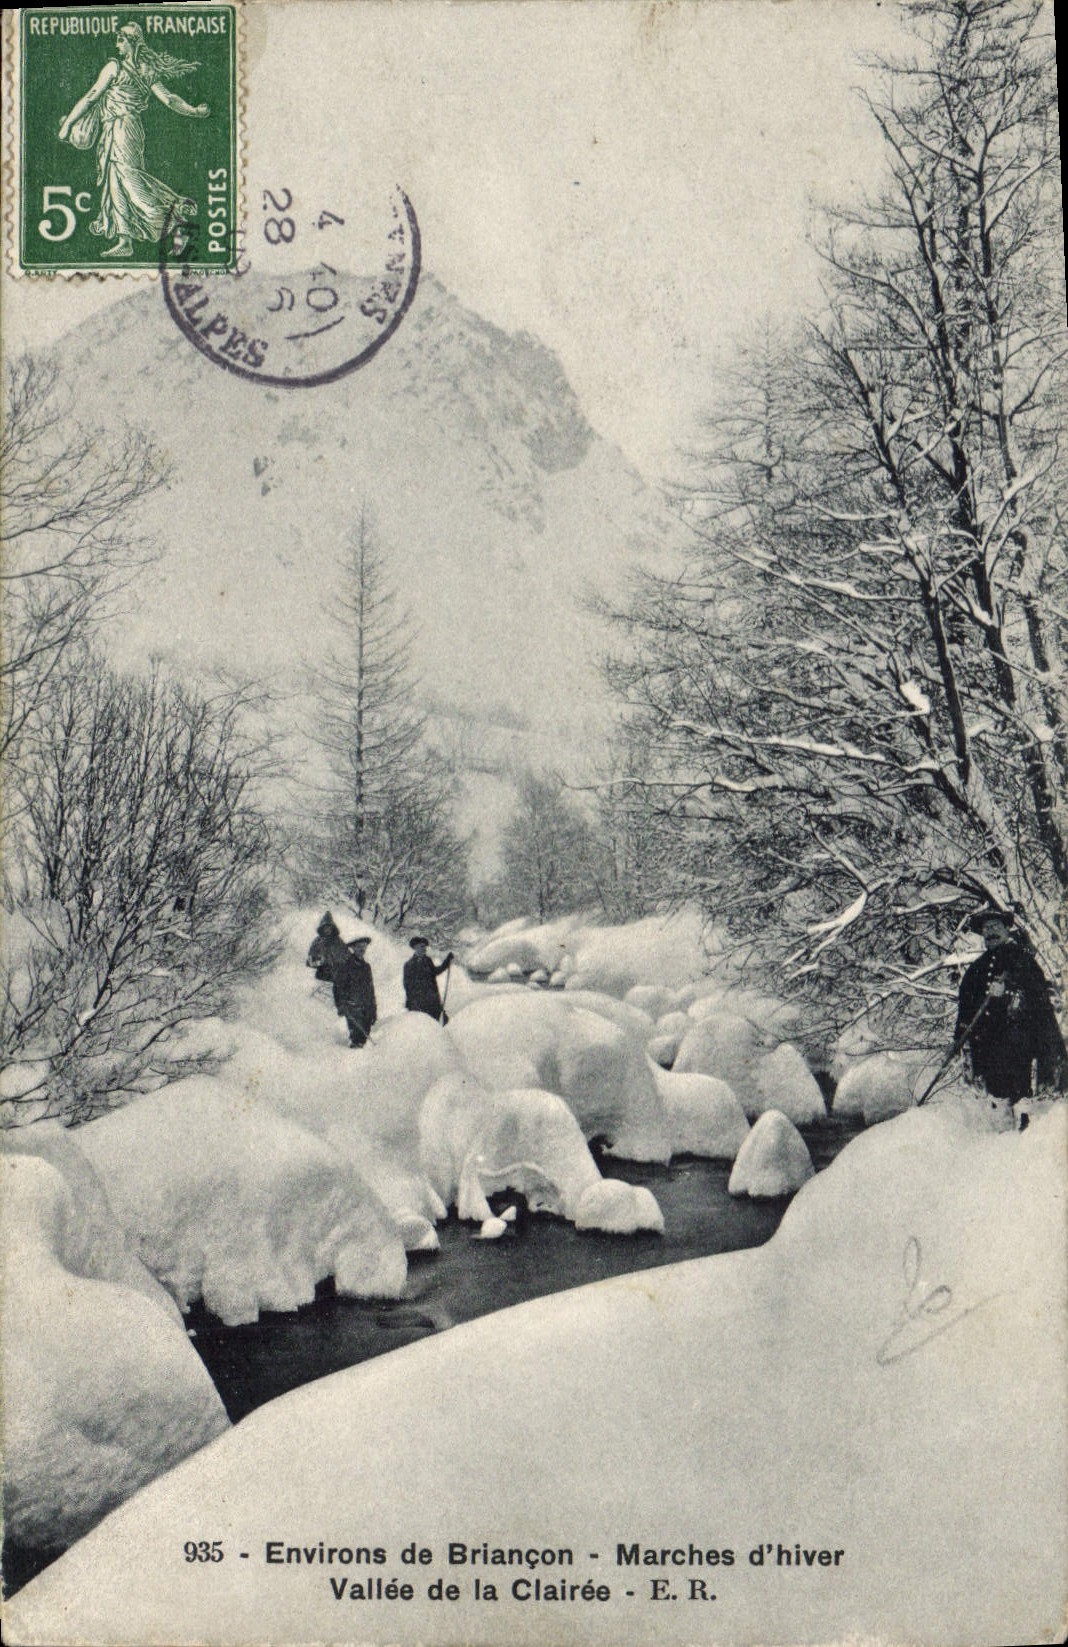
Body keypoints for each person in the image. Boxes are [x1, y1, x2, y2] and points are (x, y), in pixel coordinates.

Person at [57, 22, 208, 258]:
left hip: (123, 129)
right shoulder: (145, 69)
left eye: (121, 39)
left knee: (130, 181)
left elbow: (91, 97)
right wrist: (194, 111)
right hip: (119, 129)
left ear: (132, 42)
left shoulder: (114, 67)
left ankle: (178, 220)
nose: (117, 44)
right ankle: (125, 240)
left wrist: (67, 125)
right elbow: (169, 99)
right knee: (115, 183)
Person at [955, 908, 1067, 1107]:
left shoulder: (1022, 960)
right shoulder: (976, 969)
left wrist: (1007, 991)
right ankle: (1002, 1134)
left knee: (1019, 1095)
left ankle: (1023, 1130)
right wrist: (960, 1036)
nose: (990, 932)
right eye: (986, 928)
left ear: (1007, 929)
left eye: (996, 926)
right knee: (996, 1097)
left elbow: (1038, 995)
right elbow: (966, 1005)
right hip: (987, 1044)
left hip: (1017, 1042)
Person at [331, 935, 378, 1048]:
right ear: (353, 948)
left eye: (363, 946)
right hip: (353, 1008)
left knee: (365, 1039)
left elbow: (370, 989)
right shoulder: (345, 966)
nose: (362, 949)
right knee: (357, 1039)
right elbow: (337, 987)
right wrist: (341, 1006)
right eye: (358, 947)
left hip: (366, 1008)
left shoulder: (366, 967)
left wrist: (373, 1009)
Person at [403, 936, 454, 1024]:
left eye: (425, 947)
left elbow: (436, 971)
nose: (425, 949)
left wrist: (447, 961)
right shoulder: (409, 965)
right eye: (422, 947)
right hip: (419, 1003)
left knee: (443, 1021)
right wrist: (413, 1003)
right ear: (415, 948)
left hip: (432, 1001)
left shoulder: (428, 961)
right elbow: (407, 986)